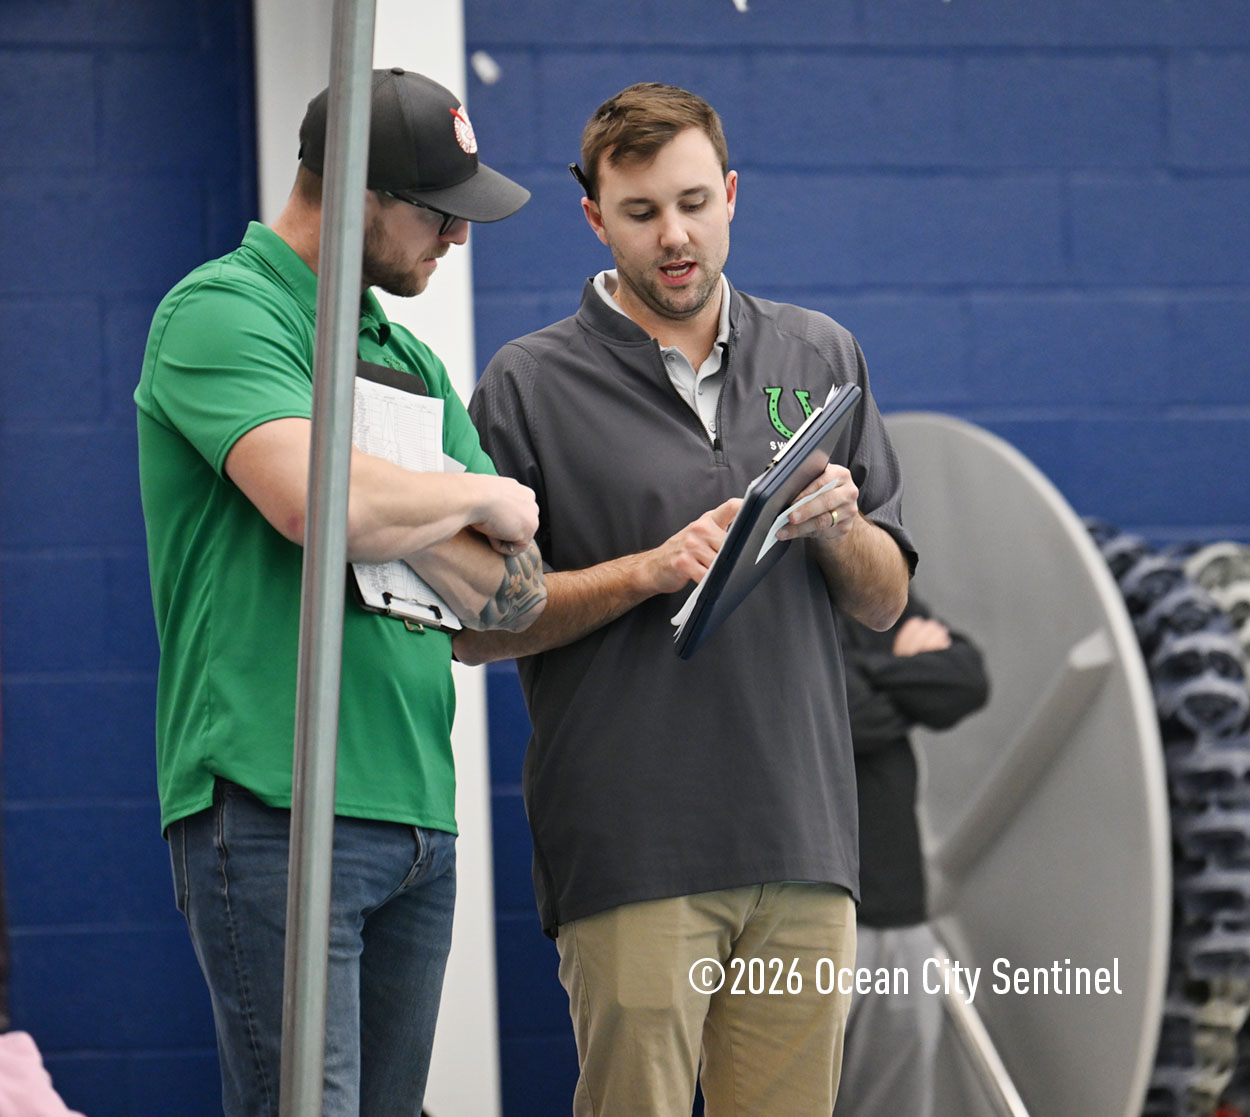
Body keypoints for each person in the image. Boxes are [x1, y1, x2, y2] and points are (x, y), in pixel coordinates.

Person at [457, 82, 916, 1115]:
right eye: (641, 211)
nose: (674, 235)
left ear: (731, 196)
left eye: (695, 203)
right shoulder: (527, 384)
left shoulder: (820, 355)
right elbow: (471, 627)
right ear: (594, 218)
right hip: (631, 849)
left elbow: (884, 601)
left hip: (803, 843)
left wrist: (841, 526)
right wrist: (647, 570)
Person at [134, 68, 547, 1116]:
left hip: (416, 814)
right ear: (361, 189)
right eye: (439, 213)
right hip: (274, 802)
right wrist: (472, 494)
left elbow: (514, 596)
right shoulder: (221, 312)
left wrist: (390, 505)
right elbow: (311, 503)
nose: (458, 238)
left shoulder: (407, 358)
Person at [835, 598, 989, 1116]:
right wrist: (904, 670)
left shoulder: (865, 590)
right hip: (807, 917)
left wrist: (868, 674)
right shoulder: (760, 596)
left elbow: (966, 679)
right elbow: (824, 713)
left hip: (902, 919)